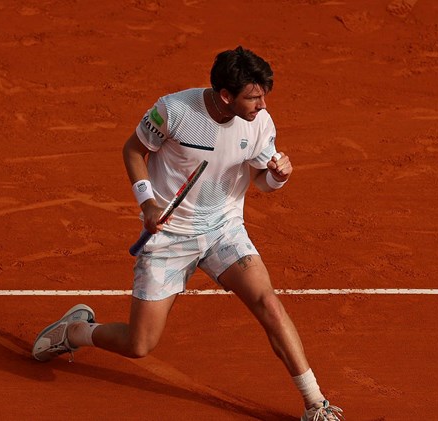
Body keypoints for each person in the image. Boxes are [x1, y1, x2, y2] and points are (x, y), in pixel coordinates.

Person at [32, 46, 344, 420]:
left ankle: (316, 404)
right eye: (254, 97)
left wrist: (277, 177)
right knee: (139, 344)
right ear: (226, 96)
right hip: (169, 236)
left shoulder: (260, 122)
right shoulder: (174, 111)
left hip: (223, 229)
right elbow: (133, 150)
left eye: (264, 96)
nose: (262, 105)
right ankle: (77, 331)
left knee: (268, 303)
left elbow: (261, 180)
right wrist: (147, 203)